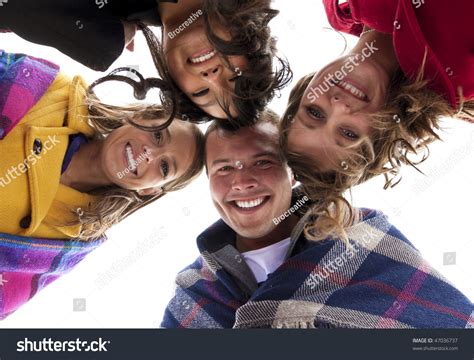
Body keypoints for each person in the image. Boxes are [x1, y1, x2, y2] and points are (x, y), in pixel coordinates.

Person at [161, 112, 473, 329]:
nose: (242, 182)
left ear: (292, 171)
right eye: (224, 169)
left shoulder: (359, 234)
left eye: (262, 162)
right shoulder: (196, 293)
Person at [279, 0, 474, 241]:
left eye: (315, 113)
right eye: (348, 133)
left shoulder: (340, 10)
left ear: (303, 90)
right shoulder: (457, 74)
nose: (339, 106)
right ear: (383, 132)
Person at [0, 50, 205, 241]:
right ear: (139, 117)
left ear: (150, 191)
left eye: (164, 167)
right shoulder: (55, 90)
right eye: (158, 136)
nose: (149, 154)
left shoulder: (76, 239)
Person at [0, 0, 292, 126]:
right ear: (250, 42)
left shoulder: (96, 32)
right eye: (235, 77)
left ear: (172, 81)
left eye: (201, 93)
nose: (212, 76)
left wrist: (99, 40)